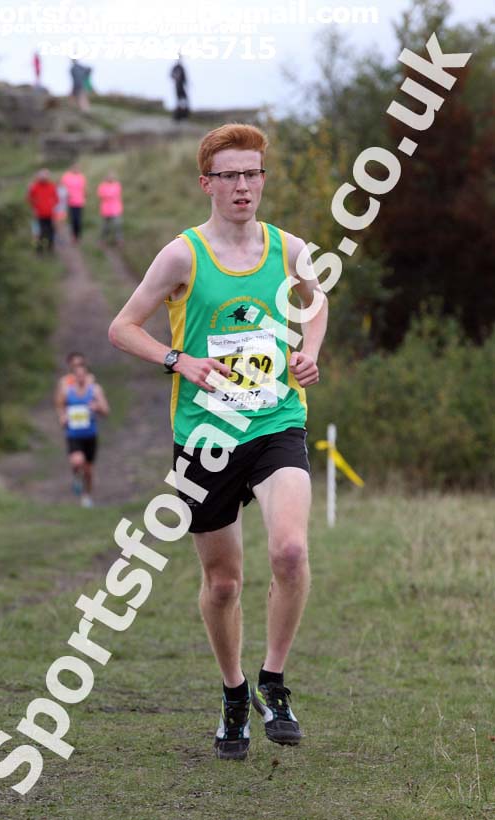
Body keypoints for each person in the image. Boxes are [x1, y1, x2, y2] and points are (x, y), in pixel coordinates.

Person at [108, 124, 328, 760]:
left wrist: (309, 353)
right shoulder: (182, 255)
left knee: (289, 550)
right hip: (204, 439)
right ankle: (234, 692)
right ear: (207, 183)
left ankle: (274, 682)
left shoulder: (290, 250)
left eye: (252, 173)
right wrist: (180, 360)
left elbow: (316, 305)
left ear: (263, 178)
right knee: (225, 583)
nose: (242, 186)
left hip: (275, 420)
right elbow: (123, 328)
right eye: (229, 175)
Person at [55, 360, 109, 508]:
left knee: (89, 470)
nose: (80, 378)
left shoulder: (95, 390)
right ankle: (76, 476)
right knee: (77, 461)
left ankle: (87, 495)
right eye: (77, 375)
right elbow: (60, 406)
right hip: (73, 434)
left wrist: (97, 407)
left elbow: (106, 411)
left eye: (82, 375)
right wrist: (63, 417)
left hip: (90, 434)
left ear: (87, 375)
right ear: (73, 376)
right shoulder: (67, 391)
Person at [27, 169, 58, 253]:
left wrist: (52, 205)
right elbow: (29, 199)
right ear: (38, 177)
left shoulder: (52, 186)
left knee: (51, 231)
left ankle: (50, 248)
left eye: (45, 176)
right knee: (39, 232)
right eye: (42, 176)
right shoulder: (34, 187)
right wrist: (34, 208)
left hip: (50, 214)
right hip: (38, 214)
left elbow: (56, 199)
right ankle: (39, 250)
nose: (44, 177)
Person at [61, 164, 86, 243]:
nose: (76, 169)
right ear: (71, 168)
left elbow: (84, 188)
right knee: (72, 219)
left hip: (79, 202)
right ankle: (73, 235)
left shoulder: (81, 177)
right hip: (69, 202)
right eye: (74, 168)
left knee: (78, 220)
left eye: (77, 168)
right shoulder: (66, 176)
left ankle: (78, 235)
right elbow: (62, 188)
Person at [97, 172, 123, 246]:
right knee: (105, 227)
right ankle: (102, 240)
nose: (110, 178)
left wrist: (108, 195)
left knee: (117, 225)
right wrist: (110, 195)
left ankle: (119, 240)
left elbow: (117, 193)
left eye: (111, 177)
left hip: (116, 209)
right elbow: (101, 195)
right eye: (109, 177)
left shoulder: (117, 185)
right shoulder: (102, 186)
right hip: (106, 210)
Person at [170, 55, 189, 121]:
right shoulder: (176, 67)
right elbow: (172, 75)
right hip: (178, 87)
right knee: (179, 102)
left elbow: (185, 78)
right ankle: (178, 117)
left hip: (181, 87)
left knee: (184, 101)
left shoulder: (181, 67)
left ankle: (183, 116)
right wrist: (176, 78)